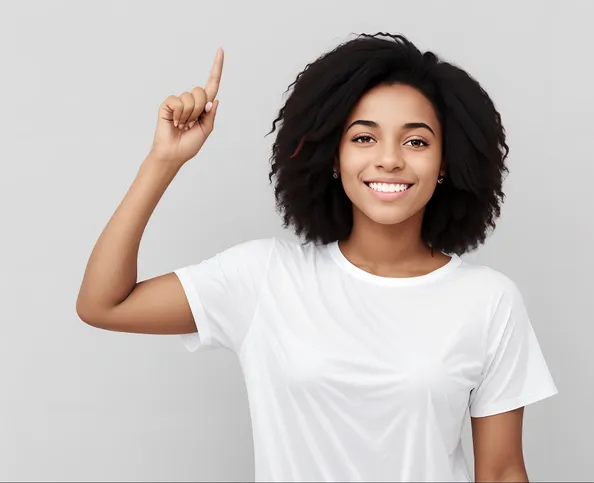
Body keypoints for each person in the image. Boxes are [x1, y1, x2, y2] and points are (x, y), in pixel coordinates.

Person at [76, 33, 558, 482]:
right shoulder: (265, 277)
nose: (389, 159)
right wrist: (164, 160)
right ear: (333, 157)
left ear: (445, 164)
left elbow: (500, 474)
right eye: (364, 137)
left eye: (416, 141)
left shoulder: (488, 301)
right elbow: (104, 304)